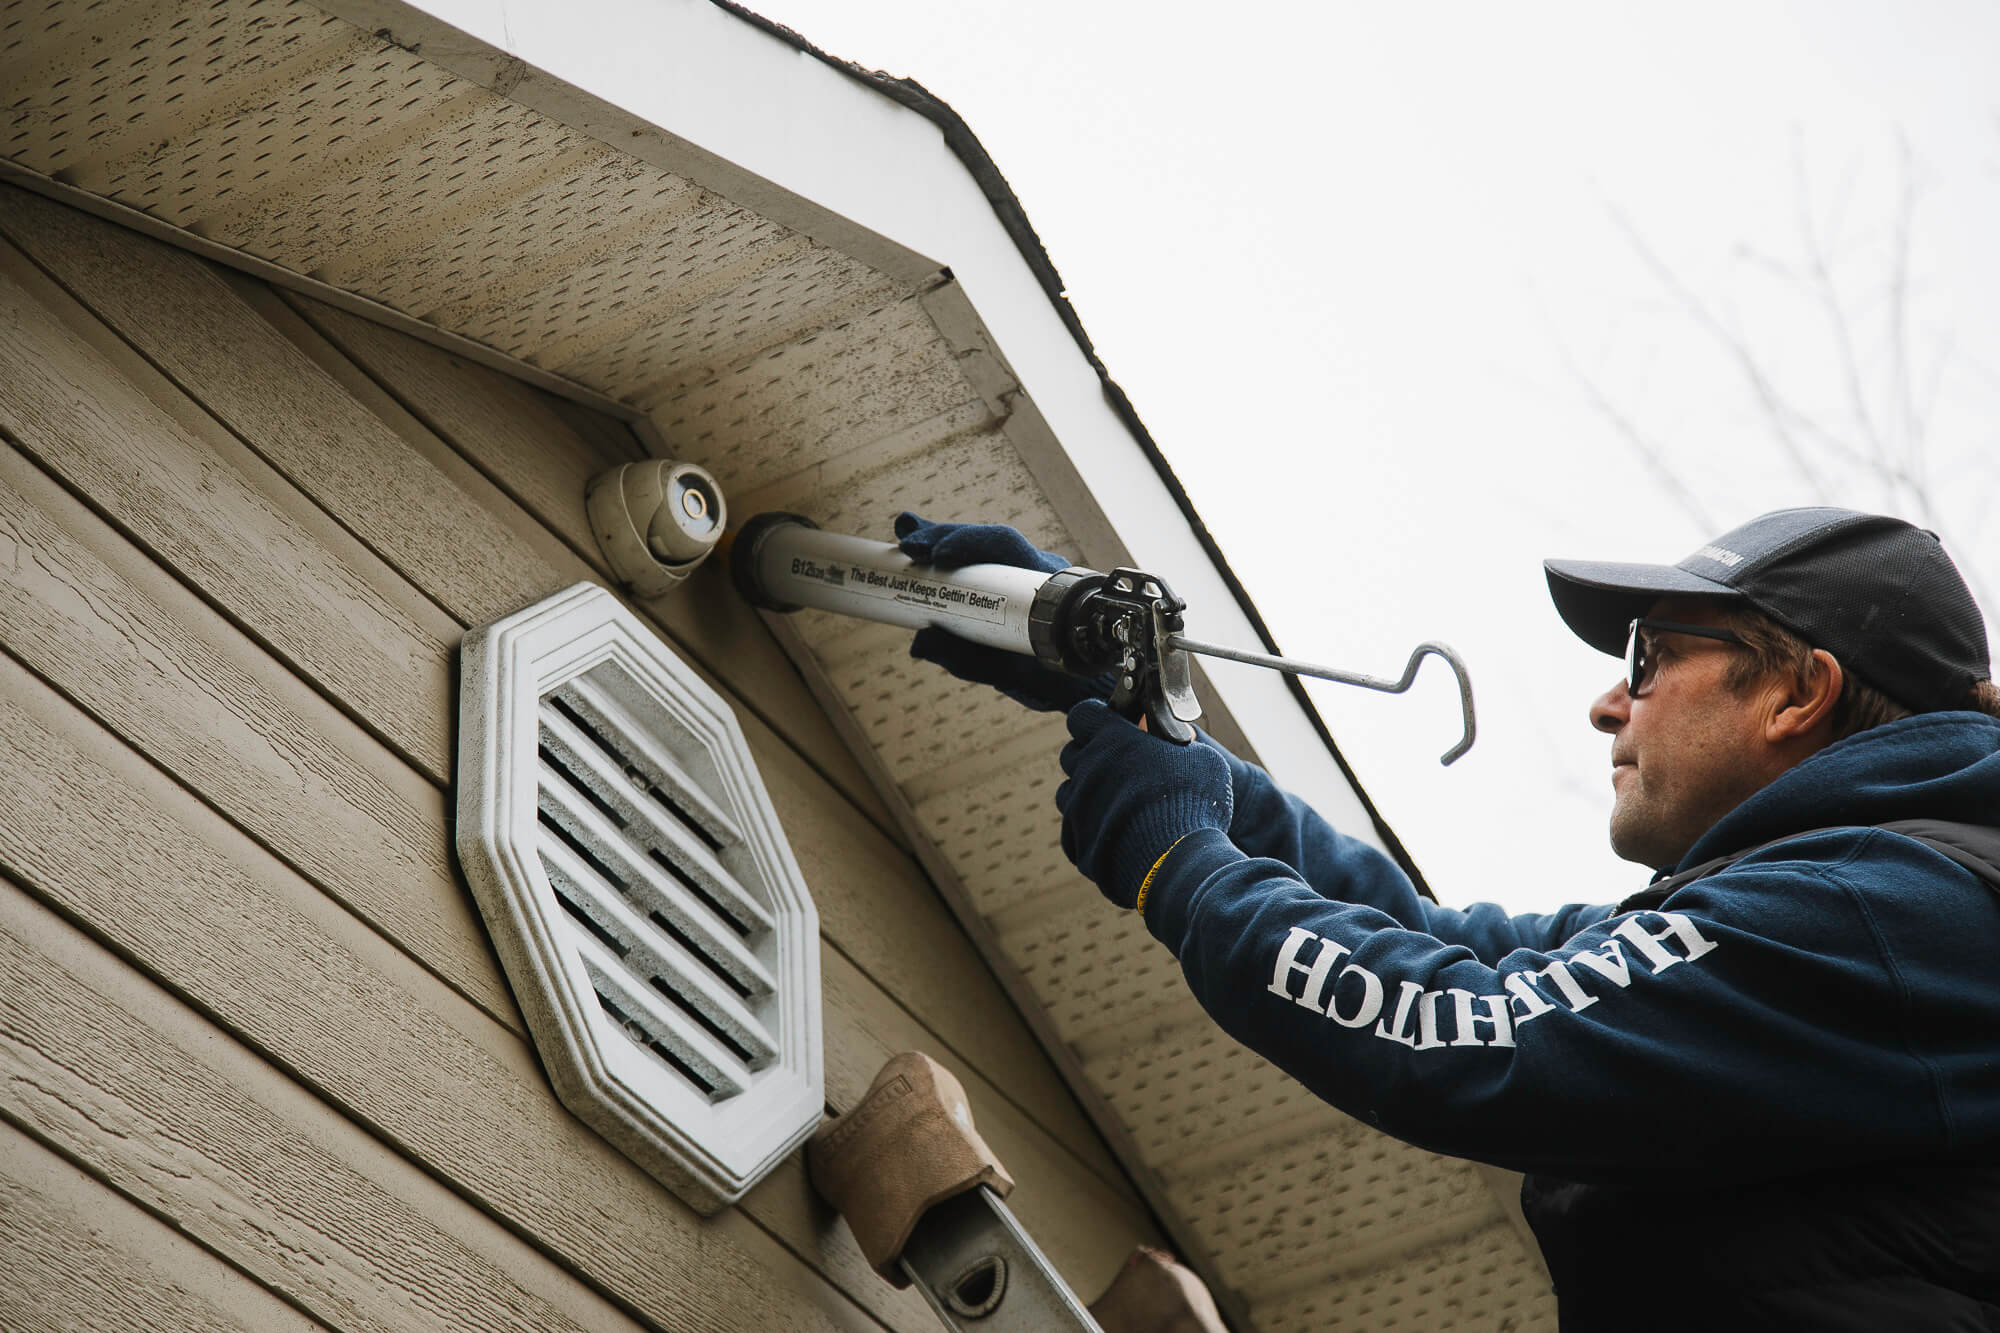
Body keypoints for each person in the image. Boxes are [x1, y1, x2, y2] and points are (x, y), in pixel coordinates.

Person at [894, 507, 2000, 1330]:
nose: (1608, 702)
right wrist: (1148, 714)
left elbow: (1463, 1032)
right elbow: (1443, 943)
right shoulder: (1843, 901)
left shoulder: (1881, 916)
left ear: (1796, 693)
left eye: (1650, 658)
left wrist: (1180, 862)